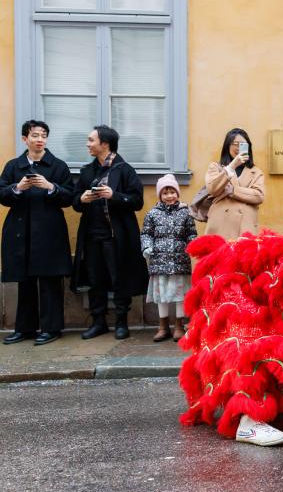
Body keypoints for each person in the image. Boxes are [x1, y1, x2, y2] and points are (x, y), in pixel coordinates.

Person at [71, 125, 149, 340]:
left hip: (117, 236)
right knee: (96, 280)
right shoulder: (87, 171)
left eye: (91, 140)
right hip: (91, 235)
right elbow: (75, 201)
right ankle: (99, 322)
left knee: (119, 278)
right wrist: (82, 199)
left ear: (104, 144)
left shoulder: (124, 169)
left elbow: (137, 201)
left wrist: (114, 195)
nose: (87, 144)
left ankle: (122, 322)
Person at [0, 120, 74, 346]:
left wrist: (50, 187)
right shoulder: (14, 166)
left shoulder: (58, 166)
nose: (40, 139)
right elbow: (2, 194)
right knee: (25, 281)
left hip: (49, 230)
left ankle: (51, 328)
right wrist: (18, 188)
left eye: (43, 135)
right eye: (35, 135)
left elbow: (69, 196)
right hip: (20, 231)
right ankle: (25, 328)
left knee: (50, 281)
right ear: (25, 139)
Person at [140, 174, 197, 342]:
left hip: (180, 260)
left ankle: (179, 325)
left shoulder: (185, 213)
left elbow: (191, 234)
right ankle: (163, 326)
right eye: (165, 193)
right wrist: (147, 247)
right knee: (162, 295)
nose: (169, 196)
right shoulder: (152, 214)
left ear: (177, 193)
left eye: (172, 192)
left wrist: (193, 246)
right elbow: (146, 234)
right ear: (160, 195)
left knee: (180, 295)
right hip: (159, 261)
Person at [204, 128, 265, 240]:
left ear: (248, 147)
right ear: (228, 146)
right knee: (220, 256)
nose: (238, 148)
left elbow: (259, 195)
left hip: (245, 228)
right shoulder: (215, 167)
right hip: (221, 227)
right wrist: (232, 166)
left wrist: (232, 191)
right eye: (235, 144)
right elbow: (213, 188)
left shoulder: (256, 172)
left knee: (246, 256)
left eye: (243, 144)